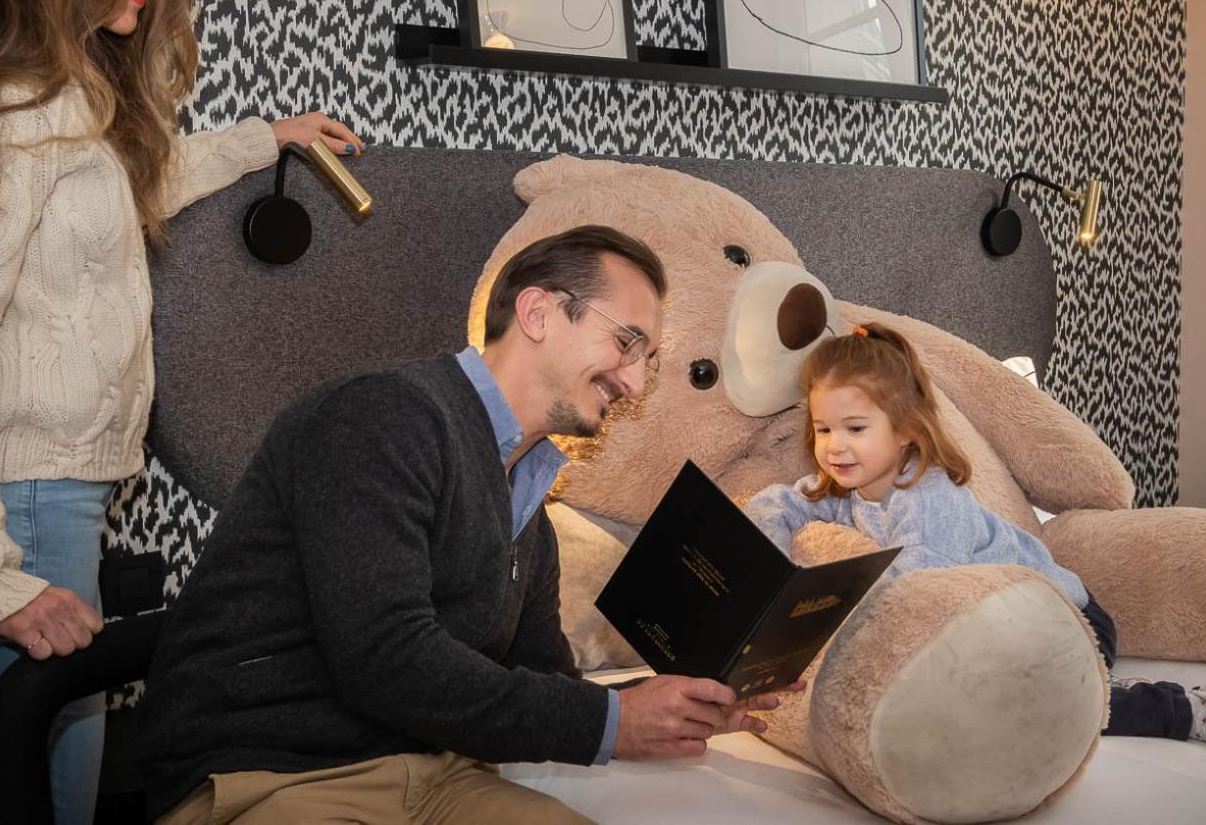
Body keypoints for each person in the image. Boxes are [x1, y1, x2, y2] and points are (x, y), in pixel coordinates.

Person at [0, 0, 363, 822]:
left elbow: (130, 182)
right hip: (15, 509)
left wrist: (265, 136)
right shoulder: (9, 111)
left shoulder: (63, 92)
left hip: (53, 502)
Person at [137, 224, 796, 824]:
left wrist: (673, 707)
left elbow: (544, 684)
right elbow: (384, 659)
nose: (634, 382)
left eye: (645, 359)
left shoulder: (526, 498)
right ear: (537, 312)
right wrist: (612, 720)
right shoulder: (380, 418)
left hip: (432, 774)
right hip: (273, 774)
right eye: (627, 343)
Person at [745, 323, 1206, 757]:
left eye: (855, 429)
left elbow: (919, 589)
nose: (834, 447)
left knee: (1033, 713)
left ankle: (1186, 710)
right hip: (995, 627)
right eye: (823, 429)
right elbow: (776, 503)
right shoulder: (847, 487)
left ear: (905, 430)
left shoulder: (927, 497)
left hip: (1069, 618)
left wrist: (829, 608)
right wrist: (771, 571)